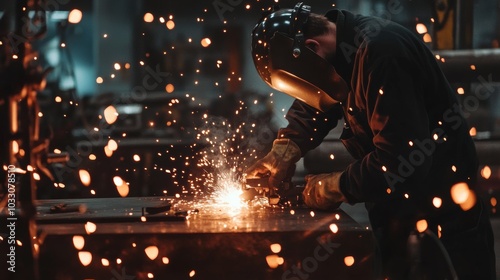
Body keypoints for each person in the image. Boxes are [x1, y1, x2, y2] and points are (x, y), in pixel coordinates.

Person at [245, 2, 496, 279]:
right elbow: (317, 100)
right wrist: (287, 147)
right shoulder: (341, 52)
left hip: (444, 221)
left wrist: (338, 185)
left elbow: (401, 160)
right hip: (397, 215)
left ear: (312, 48)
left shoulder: (382, 53)